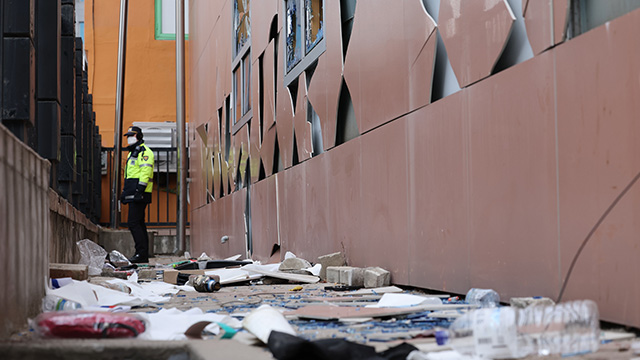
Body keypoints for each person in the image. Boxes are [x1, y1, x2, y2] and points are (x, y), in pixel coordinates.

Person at [120, 126, 154, 263]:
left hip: (140, 193)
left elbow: (145, 172)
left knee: (133, 223)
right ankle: (142, 254)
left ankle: (141, 254)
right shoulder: (133, 152)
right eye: (128, 136)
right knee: (139, 223)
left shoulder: (145, 152)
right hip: (133, 192)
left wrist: (139, 190)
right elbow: (130, 174)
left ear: (139, 136)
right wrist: (125, 192)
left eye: (132, 135)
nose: (129, 138)